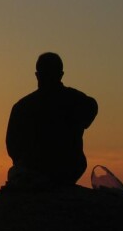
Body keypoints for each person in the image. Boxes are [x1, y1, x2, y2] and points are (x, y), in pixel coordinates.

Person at [6, 52, 98, 187]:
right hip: (69, 168)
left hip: (36, 170)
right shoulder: (78, 100)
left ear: (37, 75)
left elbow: (12, 148)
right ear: (61, 74)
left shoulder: (22, 107)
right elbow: (92, 107)